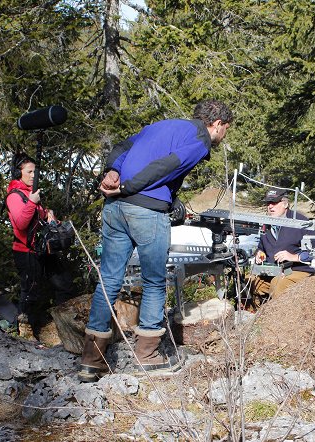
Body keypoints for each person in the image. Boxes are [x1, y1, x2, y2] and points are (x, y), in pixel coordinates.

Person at [78, 99, 233, 382]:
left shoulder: (161, 126)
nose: (224, 136)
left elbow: (123, 147)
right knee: (153, 280)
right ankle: (147, 355)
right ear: (218, 124)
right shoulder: (200, 141)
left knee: (109, 279)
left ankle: (91, 360)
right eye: (226, 130)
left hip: (115, 208)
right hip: (146, 212)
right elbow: (166, 166)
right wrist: (128, 186)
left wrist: (113, 173)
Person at [6, 153, 74, 337]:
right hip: (26, 252)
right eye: (30, 171)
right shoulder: (15, 196)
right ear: (18, 172)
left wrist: (48, 215)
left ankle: (65, 327)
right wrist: (32, 203)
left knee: (64, 284)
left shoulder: (30, 193)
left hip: (43, 249)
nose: (34, 175)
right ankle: (27, 333)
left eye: (35, 171)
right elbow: (21, 223)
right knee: (31, 292)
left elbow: (37, 218)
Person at [249, 188, 315, 302]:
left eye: (275, 203)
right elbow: (260, 248)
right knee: (251, 282)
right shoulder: (266, 224)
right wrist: (259, 253)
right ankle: (257, 316)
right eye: (268, 203)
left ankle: (277, 318)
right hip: (274, 271)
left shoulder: (301, 222)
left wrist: (294, 257)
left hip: (299, 270)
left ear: (285, 204)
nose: (270, 206)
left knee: (277, 285)